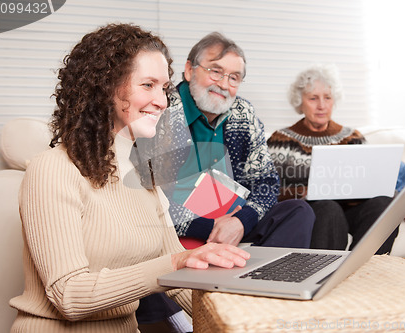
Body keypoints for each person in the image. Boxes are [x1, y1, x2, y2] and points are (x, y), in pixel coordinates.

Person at [9, 23, 250, 333]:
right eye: (147, 85)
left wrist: (240, 318)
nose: (163, 101)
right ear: (106, 88)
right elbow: (68, 295)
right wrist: (177, 264)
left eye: (163, 88)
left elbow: (178, 278)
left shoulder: (142, 173)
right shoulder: (52, 169)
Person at [133, 32, 315, 327]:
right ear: (190, 69)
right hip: (177, 231)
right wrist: (209, 226)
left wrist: (240, 222)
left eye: (234, 77)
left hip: (233, 224)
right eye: (215, 71)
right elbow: (149, 197)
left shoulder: (243, 113)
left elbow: (266, 181)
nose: (224, 84)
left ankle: (259, 299)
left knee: (299, 211)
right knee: (140, 239)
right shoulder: (162, 109)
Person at [267, 63, 405, 253]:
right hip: (317, 214)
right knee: (329, 207)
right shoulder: (281, 140)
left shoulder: (352, 137)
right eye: (313, 98)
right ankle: (324, 275)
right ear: (300, 102)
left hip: (353, 211)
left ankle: (363, 271)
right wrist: (311, 191)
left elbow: (376, 182)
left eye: (327, 98)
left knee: (383, 204)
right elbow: (270, 190)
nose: (321, 105)